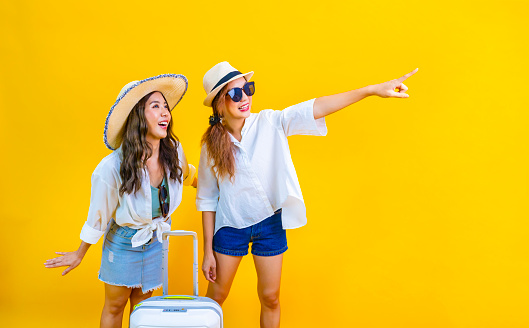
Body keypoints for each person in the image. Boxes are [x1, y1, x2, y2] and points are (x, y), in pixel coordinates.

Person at [197, 62, 418, 328]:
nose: (244, 97)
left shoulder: (269, 121)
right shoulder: (210, 146)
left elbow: (317, 106)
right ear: (219, 104)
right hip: (230, 225)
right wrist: (208, 251)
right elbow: (207, 198)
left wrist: (371, 90)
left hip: (270, 223)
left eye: (247, 88)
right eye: (235, 94)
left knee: (270, 298)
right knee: (216, 298)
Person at [45, 74, 197, 328]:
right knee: (115, 307)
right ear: (138, 116)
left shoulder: (174, 150)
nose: (165, 113)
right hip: (124, 244)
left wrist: (218, 189)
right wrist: (79, 254)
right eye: (155, 106)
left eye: (166, 106)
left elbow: (187, 174)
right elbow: (99, 215)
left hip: (156, 242)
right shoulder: (112, 166)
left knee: (143, 310)